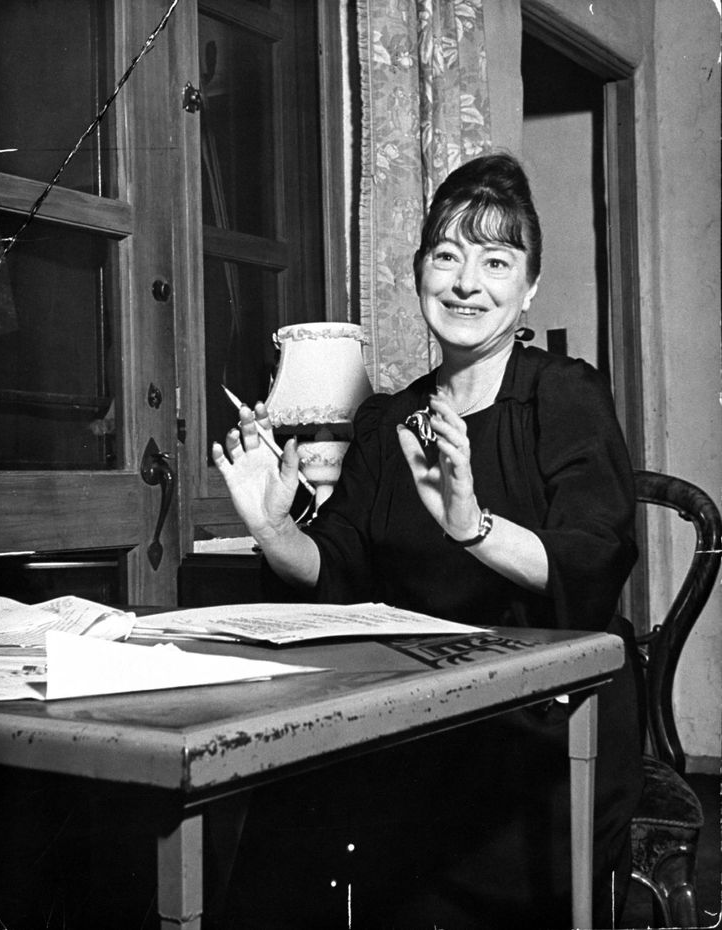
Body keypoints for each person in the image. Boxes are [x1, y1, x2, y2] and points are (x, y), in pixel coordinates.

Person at [211, 152, 644, 930]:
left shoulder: (564, 395)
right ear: (418, 275)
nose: (466, 282)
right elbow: (338, 568)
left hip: (540, 731)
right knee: (279, 820)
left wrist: (471, 525)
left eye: (496, 261)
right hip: (412, 720)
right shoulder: (386, 421)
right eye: (446, 256)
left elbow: (593, 559)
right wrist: (275, 526)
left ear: (528, 288)